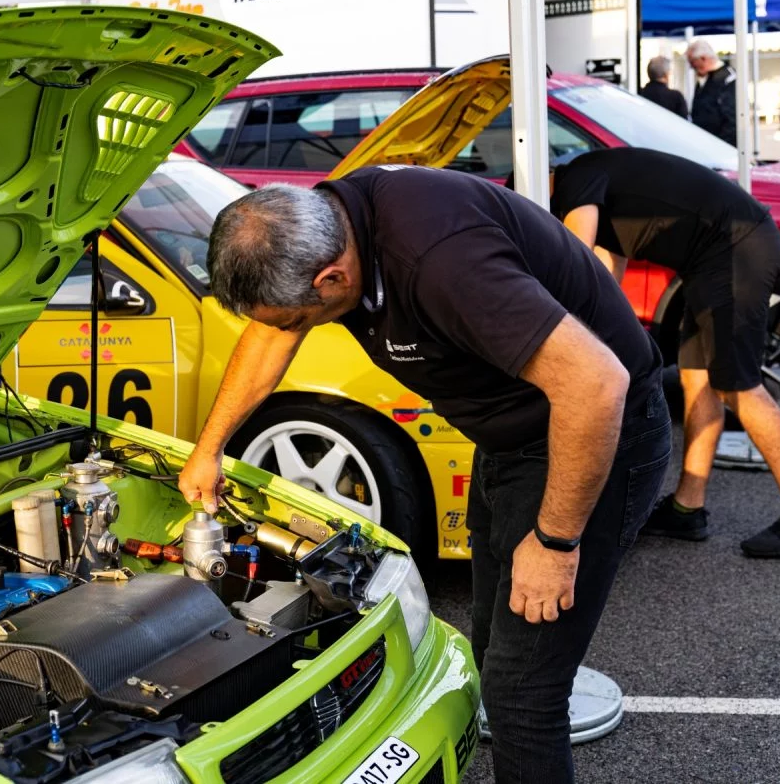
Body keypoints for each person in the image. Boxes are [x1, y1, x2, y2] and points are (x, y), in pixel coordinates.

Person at [180, 168, 670, 782]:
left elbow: (599, 385)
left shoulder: (443, 261)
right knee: (495, 660)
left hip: (592, 438)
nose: (288, 332)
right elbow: (269, 336)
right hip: (512, 440)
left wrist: (556, 541)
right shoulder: (329, 222)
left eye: (297, 318)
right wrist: (211, 447)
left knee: (522, 693)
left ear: (332, 278)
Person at [551, 147, 780, 557]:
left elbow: (574, 264)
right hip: (713, 259)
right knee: (696, 378)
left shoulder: (576, 179)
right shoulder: (596, 185)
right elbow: (600, 277)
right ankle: (688, 507)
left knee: (738, 384)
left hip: (736, 248)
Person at [687, 40, 737, 146]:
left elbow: (731, 118)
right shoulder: (704, 78)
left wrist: (720, 145)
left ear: (703, 58)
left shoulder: (728, 78)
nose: (692, 68)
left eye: (693, 63)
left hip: (721, 145)